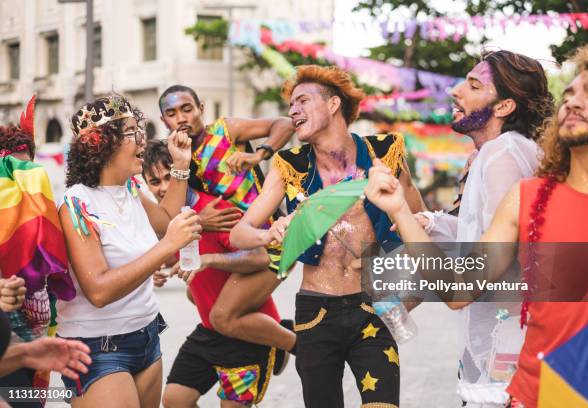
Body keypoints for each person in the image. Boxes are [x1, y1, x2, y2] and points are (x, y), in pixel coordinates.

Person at [364, 44, 588, 408]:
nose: (572, 102)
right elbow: (458, 290)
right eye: (569, 93)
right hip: (531, 392)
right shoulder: (527, 199)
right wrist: (400, 210)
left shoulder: (504, 154)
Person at [230, 65, 424, 408]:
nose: (293, 111)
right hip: (316, 310)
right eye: (291, 105)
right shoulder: (290, 164)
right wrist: (269, 233)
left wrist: (408, 291)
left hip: (373, 306)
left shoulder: (384, 153)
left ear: (334, 104)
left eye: (302, 100)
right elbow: (239, 233)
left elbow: (421, 223)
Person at [416, 50, 553, 407]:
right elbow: (492, 229)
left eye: (474, 85)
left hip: (504, 348)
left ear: (505, 106)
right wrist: (433, 222)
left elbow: (498, 258)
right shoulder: (509, 150)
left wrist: (401, 213)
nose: (455, 92)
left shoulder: (501, 155)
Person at [57, 94, 201, 408]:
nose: (142, 139)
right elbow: (98, 290)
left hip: (146, 336)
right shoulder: (77, 205)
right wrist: (167, 248)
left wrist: (181, 165)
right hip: (94, 349)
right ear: (103, 144)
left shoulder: (131, 189)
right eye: (132, 132)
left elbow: (164, 222)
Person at [140, 140, 287, 407]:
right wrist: (157, 269)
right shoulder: (169, 222)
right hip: (209, 331)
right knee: (174, 400)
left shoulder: (217, 210)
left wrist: (208, 260)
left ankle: (284, 341)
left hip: (247, 332)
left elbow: (260, 256)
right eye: (154, 181)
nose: (163, 187)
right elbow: (172, 256)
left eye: (169, 176)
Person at [158, 85, 296, 354]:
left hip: (272, 242)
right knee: (195, 294)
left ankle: (297, 347)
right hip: (232, 246)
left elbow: (285, 123)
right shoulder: (174, 156)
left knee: (222, 316)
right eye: (172, 113)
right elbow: (167, 214)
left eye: (187, 109)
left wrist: (259, 154)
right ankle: (272, 335)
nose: (181, 118)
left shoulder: (225, 130)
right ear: (164, 121)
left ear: (201, 109)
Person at [0, 96, 77, 407]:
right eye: (13, 164)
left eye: (27, 163)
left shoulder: (48, 213)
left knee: (33, 398)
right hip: (7, 336)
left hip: (39, 333)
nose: (23, 174)